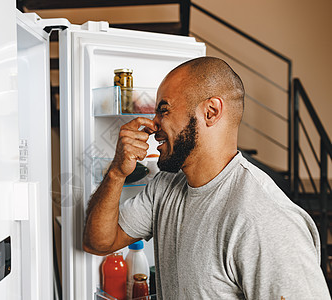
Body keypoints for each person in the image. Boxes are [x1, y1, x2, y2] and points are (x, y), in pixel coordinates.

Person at [83, 56, 330, 299]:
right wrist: (116, 172)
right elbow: (98, 242)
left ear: (211, 112)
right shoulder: (166, 187)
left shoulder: (265, 219)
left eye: (164, 110)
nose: (153, 125)